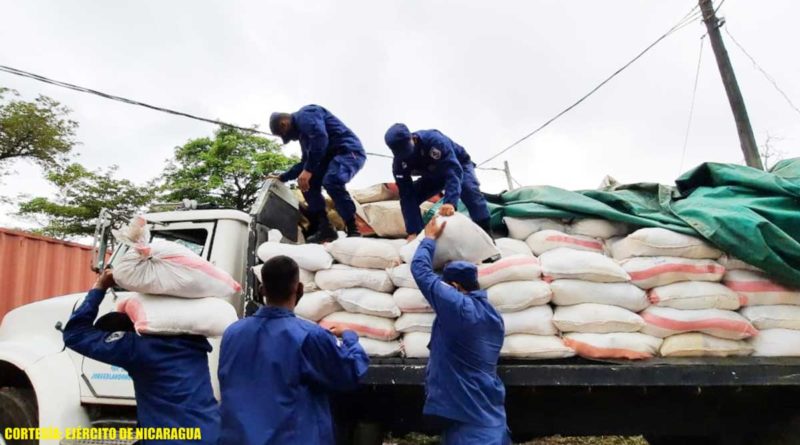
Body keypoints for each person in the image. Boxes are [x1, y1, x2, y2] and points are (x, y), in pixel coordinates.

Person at [218, 255, 369, 445]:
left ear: (262, 290)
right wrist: (349, 337)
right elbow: (349, 373)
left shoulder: (233, 333)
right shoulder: (309, 336)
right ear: (299, 289)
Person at [62, 269, 220, 445]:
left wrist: (100, 287)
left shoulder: (136, 348)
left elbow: (74, 335)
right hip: (210, 433)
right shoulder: (193, 342)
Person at [411, 216, 510, 444]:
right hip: (483, 412)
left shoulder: (458, 307)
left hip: (469, 419)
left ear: (455, 287)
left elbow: (421, 272)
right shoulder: (491, 314)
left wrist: (429, 239)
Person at [270, 105, 366, 242]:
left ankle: (353, 228)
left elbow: (320, 138)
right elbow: (305, 163)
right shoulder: (304, 138)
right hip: (329, 159)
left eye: (287, 137)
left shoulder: (305, 115)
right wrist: (283, 177)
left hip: (348, 152)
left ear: (284, 124)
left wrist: (308, 170)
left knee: (331, 180)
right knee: (306, 183)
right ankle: (325, 228)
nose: (292, 139)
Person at [384, 123, 492, 239]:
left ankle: (486, 235)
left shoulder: (434, 141)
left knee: (469, 190)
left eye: (407, 151)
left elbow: (453, 171)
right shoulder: (399, 164)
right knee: (411, 197)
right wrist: (412, 231)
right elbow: (406, 194)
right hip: (433, 175)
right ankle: (420, 237)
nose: (406, 156)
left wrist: (450, 202)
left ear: (413, 138)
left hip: (458, 166)